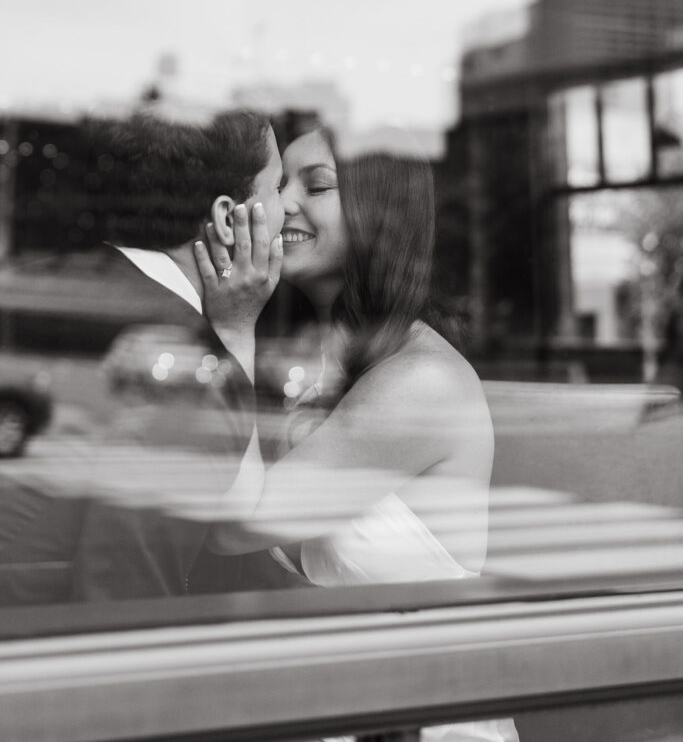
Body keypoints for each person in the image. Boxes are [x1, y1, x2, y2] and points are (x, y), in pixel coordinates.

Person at [199, 125, 517, 741]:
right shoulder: (312, 368)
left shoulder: (422, 381)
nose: (280, 203)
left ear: (382, 216)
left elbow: (238, 525)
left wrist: (233, 328)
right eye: (278, 183)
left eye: (316, 185)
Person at [0, 109, 291, 605]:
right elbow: (126, 596)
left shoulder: (49, 292)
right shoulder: (182, 367)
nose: (289, 208)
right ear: (229, 218)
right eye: (277, 187)